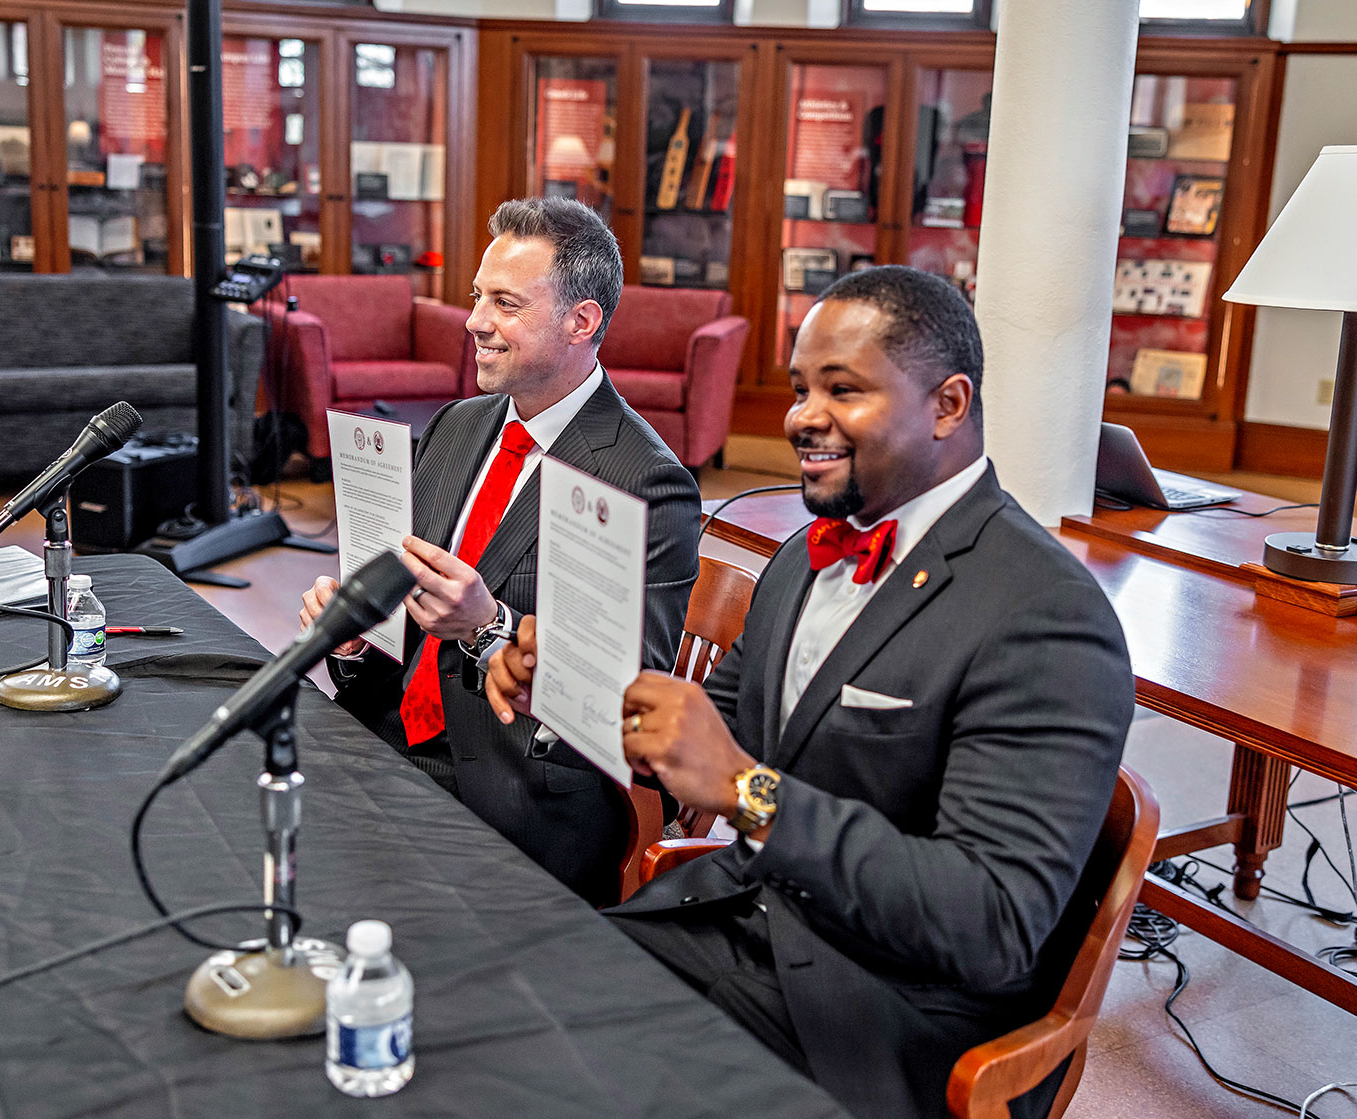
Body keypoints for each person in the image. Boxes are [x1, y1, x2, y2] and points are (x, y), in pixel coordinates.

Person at [485, 265, 1132, 1118]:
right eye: (799, 388)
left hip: (880, 1011)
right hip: (739, 921)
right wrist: (575, 693)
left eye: (843, 388)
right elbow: (707, 738)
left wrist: (747, 793)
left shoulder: (1045, 615)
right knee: (491, 1004)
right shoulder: (801, 558)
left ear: (948, 404)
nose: (801, 417)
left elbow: (991, 920)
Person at [301, 197, 701, 907]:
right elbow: (403, 636)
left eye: (506, 303)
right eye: (478, 296)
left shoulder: (645, 479)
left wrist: (489, 629)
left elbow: (625, 700)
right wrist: (357, 640)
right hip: (392, 740)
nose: (475, 322)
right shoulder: (458, 424)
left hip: (523, 790)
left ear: (582, 321)